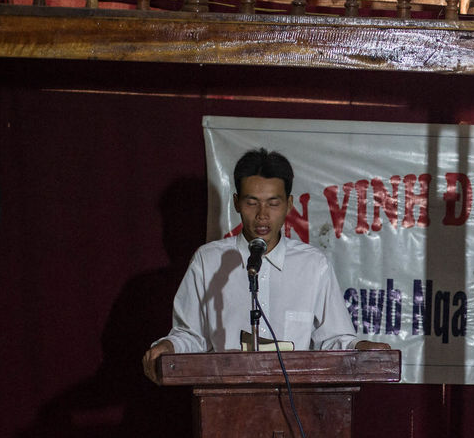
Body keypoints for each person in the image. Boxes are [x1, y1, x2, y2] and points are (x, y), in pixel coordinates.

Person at [143, 148, 383, 383]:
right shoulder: (209, 260)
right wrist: (169, 346)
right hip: (226, 397)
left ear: (289, 204)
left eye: (273, 203)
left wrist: (360, 347)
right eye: (252, 203)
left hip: (296, 399)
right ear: (236, 203)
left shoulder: (313, 264)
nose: (262, 215)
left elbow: (333, 339)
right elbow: (191, 335)